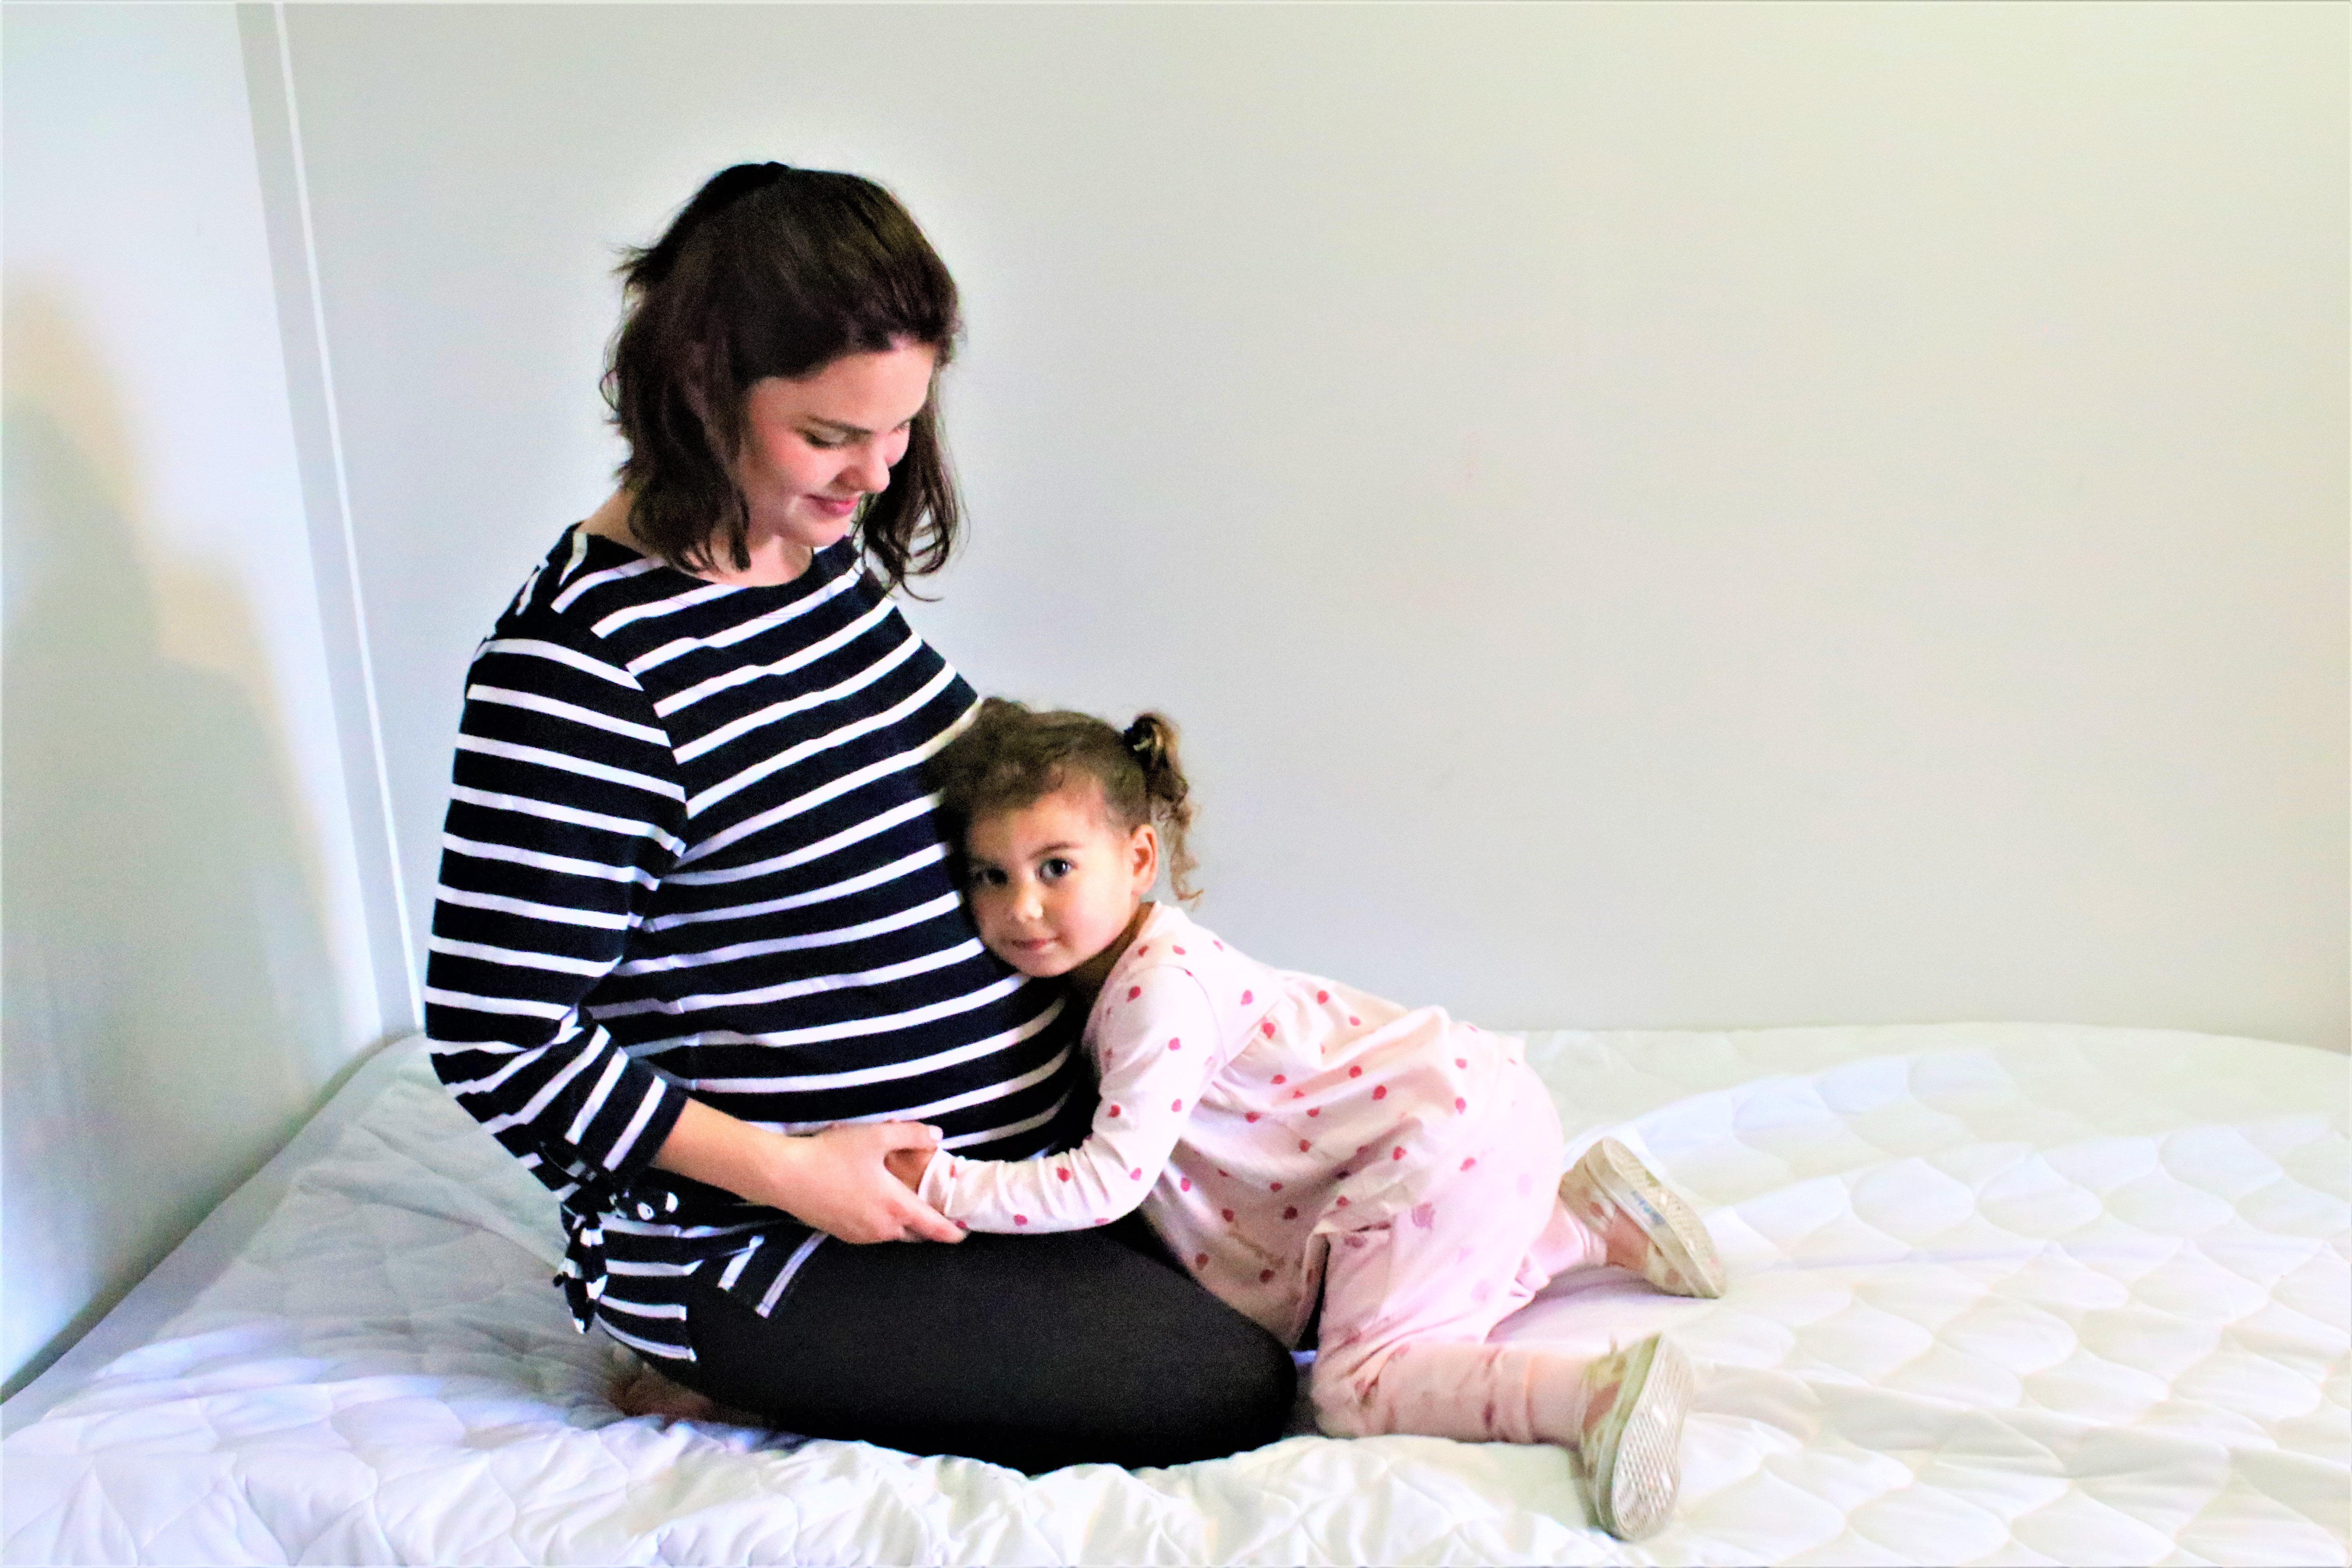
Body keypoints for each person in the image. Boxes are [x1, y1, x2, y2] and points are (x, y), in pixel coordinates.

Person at [424, 163, 1295, 1474]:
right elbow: (495, 1034)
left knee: (1325, 1248)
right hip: (778, 1229)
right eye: (832, 434)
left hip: (998, 1169)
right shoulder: (580, 673)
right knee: (1222, 1385)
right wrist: (793, 1173)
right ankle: (696, 1351)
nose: (876, 475)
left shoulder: (810, 559)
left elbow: (950, 778)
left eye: (900, 427)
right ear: (701, 381)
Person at [906, 698, 1724, 1539]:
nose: (1022, 908)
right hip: (1463, 1111)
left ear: (1138, 857)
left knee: (1358, 1383)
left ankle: (1591, 1395)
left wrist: (938, 1184)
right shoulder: (1134, 965)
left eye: (1055, 868)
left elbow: (1107, 1183)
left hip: (1433, 1142)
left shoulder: (1158, 993)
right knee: (1398, 1293)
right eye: (990, 876)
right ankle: (1581, 1227)